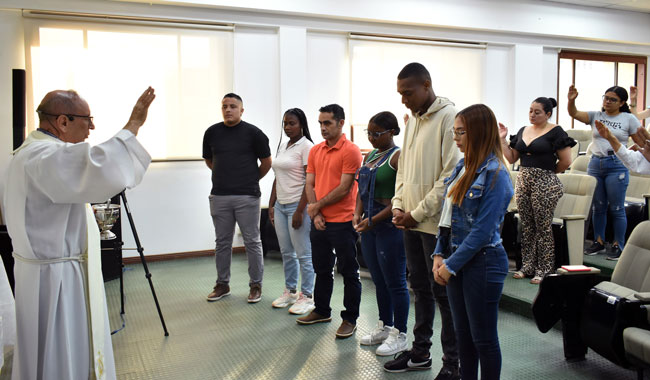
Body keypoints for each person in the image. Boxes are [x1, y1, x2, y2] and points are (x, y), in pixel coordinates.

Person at [3, 87, 156, 380]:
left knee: (48, 352)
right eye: (87, 119)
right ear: (62, 121)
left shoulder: (30, 152)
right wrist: (134, 124)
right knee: (60, 353)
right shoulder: (42, 156)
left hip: (46, 272)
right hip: (57, 280)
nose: (93, 127)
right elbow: (97, 165)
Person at [385, 62, 461, 380]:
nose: (404, 99)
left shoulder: (449, 118)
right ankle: (420, 352)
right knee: (419, 287)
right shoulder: (414, 120)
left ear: (427, 84)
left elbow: (450, 176)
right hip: (409, 221)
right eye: (400, 93)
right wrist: (398, 206)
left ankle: (452, 363)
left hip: (433, 224)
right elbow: (404, 170)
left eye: (408, 93)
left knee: (442, 293)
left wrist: (415, 214)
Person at [432, 103, 514, 380]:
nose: (455, 138)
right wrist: (438, 255)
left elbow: (482, 232)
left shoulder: (496, 174)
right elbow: (447, 219)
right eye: (454, 132)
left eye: (461, 132)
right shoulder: (461, 167)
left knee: (484, 339)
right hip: (457, 260)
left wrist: (450, 265)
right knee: (463, 338)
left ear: (479, 132)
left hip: (483, 263)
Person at [296, 104, 363, 339]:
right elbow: (310, 184)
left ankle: (350, 319)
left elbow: (345, 188)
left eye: (328, 123)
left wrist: (316, 207)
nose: (323, 128)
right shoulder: (315, 151)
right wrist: (315, 214)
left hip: (343, 221)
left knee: (349, 271)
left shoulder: (351, 151)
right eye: (320, 123)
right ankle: (322, 310)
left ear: (341, 123)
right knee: (321, 269)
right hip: (320, 221)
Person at [203, 93, 272, 303]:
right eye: (224, 106)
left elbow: (266, 162)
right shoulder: (212, 132)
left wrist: (250, 180)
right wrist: (226, 178)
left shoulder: (254, 133)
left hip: (247, 196)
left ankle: (255, 285)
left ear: (242, 110)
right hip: (220, 196)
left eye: (233, 106)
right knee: (222, 242)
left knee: (252, 241)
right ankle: (222, 284)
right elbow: (209, 160)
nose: (228, 109)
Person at [499, 97, 575, 284]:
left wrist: (546, 174)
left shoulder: (556, 132)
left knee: (543, 227)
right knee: (526, 226)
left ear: (548, 114)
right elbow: (511, 158)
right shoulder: (523, 130)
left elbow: (566, 161)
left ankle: (544, 269)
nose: (532, 115)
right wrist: (501, 140)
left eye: (537, 112)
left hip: (545, 182)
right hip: (524, 181)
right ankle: (527, 266)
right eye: (530, 111)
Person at [353, 111, 409, 356]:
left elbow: (401, 199)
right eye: (369, 133)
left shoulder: (398, 157)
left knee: (395, 282)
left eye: (377, 134)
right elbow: (360, 189)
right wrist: (357, 213)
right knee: (378, 280)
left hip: (389, 224)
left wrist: (372, 220)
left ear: (393, 132)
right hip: (369, 224)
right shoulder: (372, 155)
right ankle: (384, 326)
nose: (372, 138)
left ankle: (400, 333)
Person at [568, 85, 641, 260]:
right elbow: (574, 113)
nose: (607, 101)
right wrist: (571, 100)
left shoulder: (628, 118)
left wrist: (635, 104)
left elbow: (640, 139)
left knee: (616, 208)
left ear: (622, 102)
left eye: (612, 99)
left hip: (616, 164)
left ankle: (618, 244)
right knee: (598, 207)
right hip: (595, 163)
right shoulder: (596, 116)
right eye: (605, 97)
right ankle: (598, 241)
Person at [268, 108, 316, 315]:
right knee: (286, 252)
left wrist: (299, 210)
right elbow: (277, 177)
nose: (287, 127)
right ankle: (290, 291)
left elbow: (309, 181)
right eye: (285, 123)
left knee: (303, 254)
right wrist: (271, 205)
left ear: (302, 124)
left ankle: (308, 295)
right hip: (280, 206)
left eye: (292, 123)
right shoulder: (283, 146)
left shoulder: (307, 146)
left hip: (298, 205)